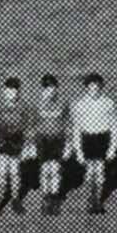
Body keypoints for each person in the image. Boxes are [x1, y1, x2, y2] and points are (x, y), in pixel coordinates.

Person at [70, 74, 117, 214]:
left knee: (100, 171)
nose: (94, 90)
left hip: (102, 139)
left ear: (101, 87)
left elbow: (114, 127)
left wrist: (112, 148)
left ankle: (98, 201)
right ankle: (91, 199)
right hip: (87, 139)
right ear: (86, 88)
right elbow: (76, 128)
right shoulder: (79, 104)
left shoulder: (108, 103)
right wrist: (78, 150)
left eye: (97, 87)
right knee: (90, 171)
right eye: (91, 87)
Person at [0, 78, 33, 214]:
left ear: (18, 92)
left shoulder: (23, 107)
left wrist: (27, 145)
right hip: (2, 144)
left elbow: (28, 128)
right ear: (4, 91)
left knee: (15, 172)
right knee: (2, 173)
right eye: (9, 91)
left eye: (15, 91)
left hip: (16, 144)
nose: (12, 94)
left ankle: (15, 200)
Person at [30, 75, 71, 214]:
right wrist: (30, 145)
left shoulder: (62, 104)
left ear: (57, 89)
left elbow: (68, 125)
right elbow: (31, 126)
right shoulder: (36, 104)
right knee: (44, 169)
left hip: (57, 141)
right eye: (47, 89)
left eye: (53, 89)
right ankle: (45, 198)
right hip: (42, 140)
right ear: (42, 90)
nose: (50, 92)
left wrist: (69, 145)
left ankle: (54, 199)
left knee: (55, 169)